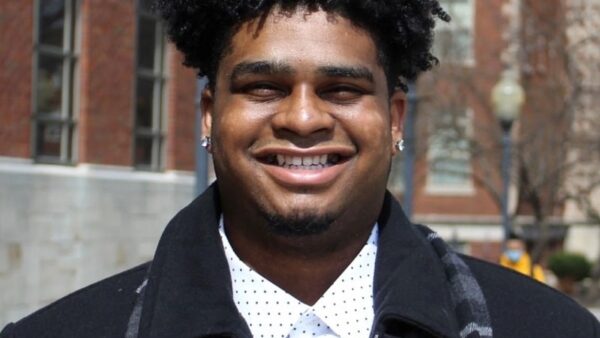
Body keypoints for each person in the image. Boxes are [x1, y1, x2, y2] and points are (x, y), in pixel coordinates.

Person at [2, 1, 599, 337]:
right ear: (210, 116)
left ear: (395, 120)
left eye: (342, 89)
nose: (304, 117)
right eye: (264, 86)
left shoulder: (551, 331)